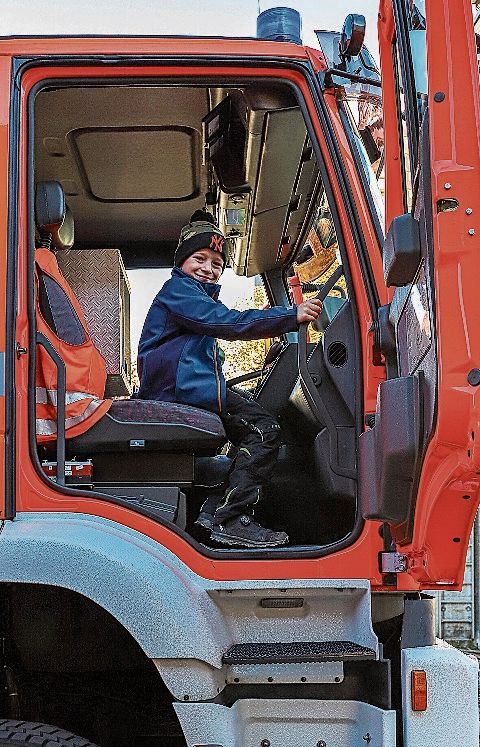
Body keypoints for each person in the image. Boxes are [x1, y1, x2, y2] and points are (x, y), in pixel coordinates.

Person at [137, 210, 322, 548]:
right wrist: (289, 315)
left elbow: (209, 355)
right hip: (179, 393)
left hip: (187, 389)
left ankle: (221, 512)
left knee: (252, 417)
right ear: (182, 262)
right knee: (264, 430)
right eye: (200, 258)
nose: (208, 268)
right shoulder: (179, 291)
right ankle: (228, 518)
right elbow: (231, 323)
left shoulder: (191, 300)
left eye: (217, 263)